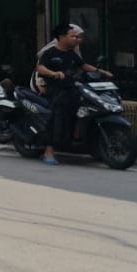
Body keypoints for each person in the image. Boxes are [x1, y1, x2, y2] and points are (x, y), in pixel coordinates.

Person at [35, 22, 110, 166]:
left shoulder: (71, 54)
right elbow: (40, 68)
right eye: (73, 36)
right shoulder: (50, 53)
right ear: (62, 37)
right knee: (56, 117)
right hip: (55, 91)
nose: (76, 39)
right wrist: (53, 73)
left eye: (77, 36)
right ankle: (48, 152)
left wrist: (101, 72)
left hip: (72, 89)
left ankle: (77, 139)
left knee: (85, 110)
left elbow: (84, 65)